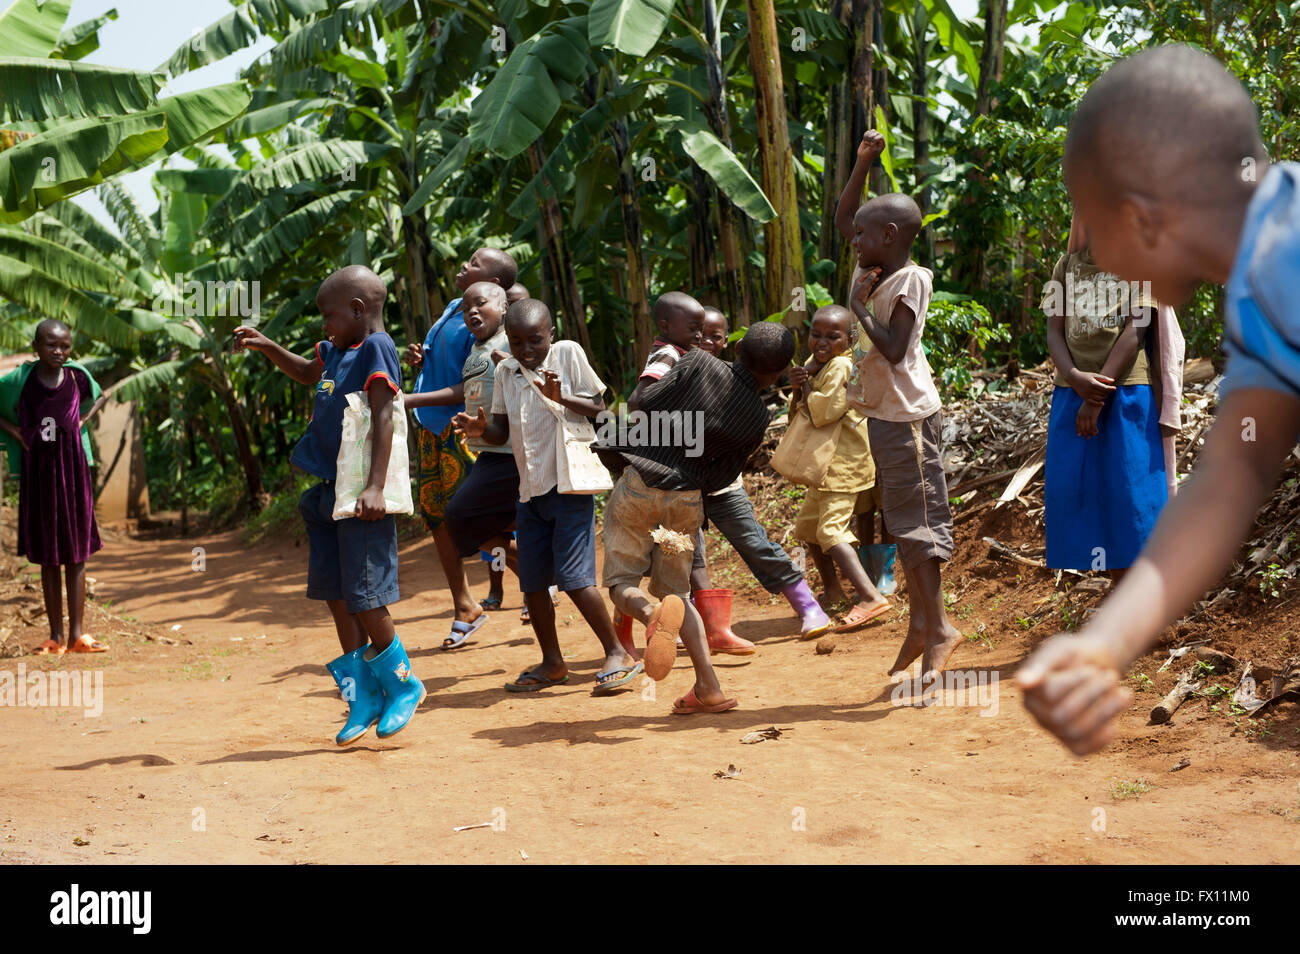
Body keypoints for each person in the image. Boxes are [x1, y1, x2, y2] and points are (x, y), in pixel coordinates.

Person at [1018, 44, 1287, 754]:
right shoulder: (1259, 298)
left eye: (1087, 218)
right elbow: (1232, 476)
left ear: (1138, 220)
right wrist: (1104, 645)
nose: (1088, 252)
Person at [233, 266, 424, 744]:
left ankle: (404, 685)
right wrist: (268, 346)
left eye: (328, 315)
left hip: (360, 494)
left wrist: (376, 487)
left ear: (358, 311)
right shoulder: (337, 352)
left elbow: (383, 415)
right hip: (326, 492)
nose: (324, 325)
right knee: (336, 595)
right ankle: (361, 696)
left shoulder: (376, 348)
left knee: (365, 595)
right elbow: (303, 371)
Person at [601, 318, 797, 712]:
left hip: (642, 482)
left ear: (736, 349)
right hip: (688, 499)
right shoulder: (758, 419)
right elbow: (723, 476)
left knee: (622, 583)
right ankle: (708, 686)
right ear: (778, 374)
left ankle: (650, 613)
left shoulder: (698, 364)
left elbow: (645, 403)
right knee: (679, 594)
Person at [455, 299, 641, 694]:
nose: (525, 350)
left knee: (575, 580)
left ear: (551, 335)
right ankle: (553, 663)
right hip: (530, 490)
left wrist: (562, 399)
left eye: (534, 341)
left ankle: (618, 652)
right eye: (517, 341)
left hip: (569, 484)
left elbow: (599, 409)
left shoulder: (568, 354)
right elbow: (501, 433)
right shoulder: (506, 371)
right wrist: (478, 429)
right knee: (534, 583)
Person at [835, 129, 962, 681]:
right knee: (904, 525)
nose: (853, 240)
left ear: (888, 236)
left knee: (919, 528)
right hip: (887, 418)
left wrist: (858, 310)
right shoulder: (877, 265)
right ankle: (921, 624)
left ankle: (939, 629)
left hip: (908, 418)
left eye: (863, 234)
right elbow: (844, 219)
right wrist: (863, 163)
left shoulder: (909, 280)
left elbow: (894, 347)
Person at [1042, 214, 1167, 579]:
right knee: (1086, 495)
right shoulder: (1064, 266)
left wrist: (1095, 397)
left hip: (1126, 396)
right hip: (1071, 396)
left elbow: (1136, 330)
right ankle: (1117, 593)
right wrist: (1075, 377)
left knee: (1131, 496)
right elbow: (1054, 332)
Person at [405, 248, 517, 639]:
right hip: (429, 426)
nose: (464, 266)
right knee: (438, 518)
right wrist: (422, 360)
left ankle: (544, 576)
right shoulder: (455, 307)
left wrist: (408, 399)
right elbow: (447, 366)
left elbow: (466, 385)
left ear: (497, 289)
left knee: (471, 515)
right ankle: (465, 605)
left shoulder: (491, 325)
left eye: (474, 264)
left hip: (462, 427)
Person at [0, 320, 108, 654]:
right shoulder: (22, 380)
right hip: (39, 475)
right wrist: (16, 432)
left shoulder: (76, 376)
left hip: (74, 471)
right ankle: (55, 636)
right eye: (51, 345)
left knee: (76, 554)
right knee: (48, 556)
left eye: (64, 345)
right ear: (36, 346)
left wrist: (82, 423)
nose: (58, 351)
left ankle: (78, 635)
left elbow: (101, 397)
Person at [788, 305, 891, 631]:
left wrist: (804, 386)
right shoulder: (815, 365)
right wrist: (797, 385)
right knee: (808, 529)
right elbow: (800, 412)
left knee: (829, 531)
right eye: (815, 334)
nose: (821, 342)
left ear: (848, 340)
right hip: (824, 464)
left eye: (832, 337)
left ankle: (870, 596)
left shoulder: (841, 367)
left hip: (842, 464)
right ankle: (833, 591)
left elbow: (823, 412)